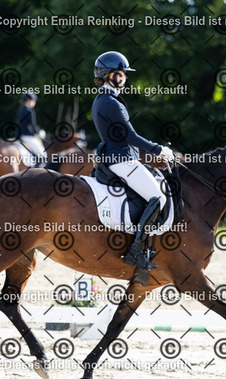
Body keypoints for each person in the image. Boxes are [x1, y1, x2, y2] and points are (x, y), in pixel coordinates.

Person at [91, 51, 175, 270]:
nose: (125, 78)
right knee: (158, 197)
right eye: (122, 74)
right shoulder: (110, 102)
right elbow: (129, 136)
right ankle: (135, 250)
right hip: (121, 159)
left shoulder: (104, 98)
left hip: (118, 157)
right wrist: (158, 149)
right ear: (109, 75)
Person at [16, 92, 47, 166]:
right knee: (43, 154)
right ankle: (37, 170)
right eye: (34, 101)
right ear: (29, 100)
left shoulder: (20, 109)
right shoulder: (29, 111)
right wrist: (39, 133)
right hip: (27, 136)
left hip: (19, 135)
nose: (34, 103)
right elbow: (33, 126)